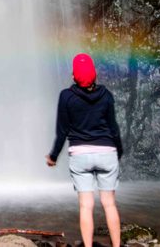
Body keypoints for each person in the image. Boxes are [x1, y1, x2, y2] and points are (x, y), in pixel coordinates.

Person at [45, 53, 123, 247]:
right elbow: (113, 128)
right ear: (95, 75)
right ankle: (116, 245)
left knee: (86, 206)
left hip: (80, 154)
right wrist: (118, 151)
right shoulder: (106, 95)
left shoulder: (66, 96)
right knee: (109, 204)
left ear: (73, 76)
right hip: (107, 152)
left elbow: (62, 130)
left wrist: (54, 156)